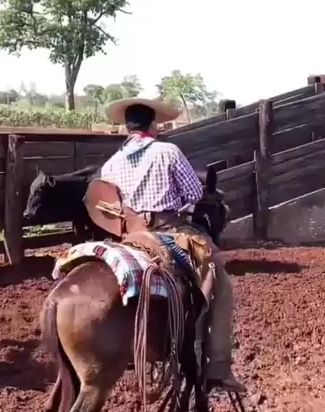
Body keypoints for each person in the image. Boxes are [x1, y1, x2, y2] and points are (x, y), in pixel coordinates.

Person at [100, 88, 247, 396]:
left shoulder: (111, 164)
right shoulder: (168, 151)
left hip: (131, 235)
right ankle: (219, 367)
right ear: (153, 125)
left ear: (127, 127)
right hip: (170, 230)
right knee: (220, 282)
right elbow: (194, 193)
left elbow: (108, 204)